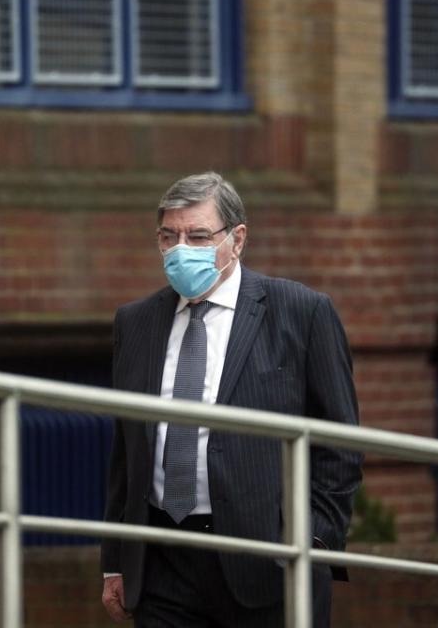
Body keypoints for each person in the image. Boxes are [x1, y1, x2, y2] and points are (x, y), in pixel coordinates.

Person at [101, 172, 362, 627]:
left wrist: (313, 545)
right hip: (163, 563)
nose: (180, 249)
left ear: (237, 239)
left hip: (266, 563)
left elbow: (339, 445)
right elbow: (127, 452)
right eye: (169, 236)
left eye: (198, 235)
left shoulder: (301, 313)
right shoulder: (136, 322)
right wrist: (116, 561)